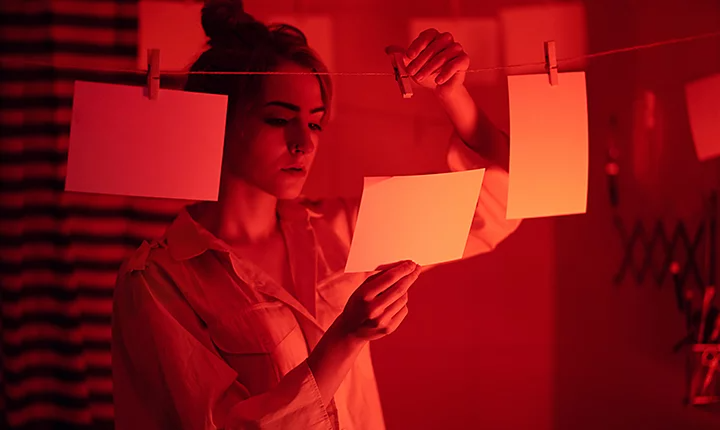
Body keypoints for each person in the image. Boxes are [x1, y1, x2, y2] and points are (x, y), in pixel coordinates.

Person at [111, 1, 521, 429]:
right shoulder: (158, 283)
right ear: (220, 121)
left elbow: (495, 211)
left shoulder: (339, 229)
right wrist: (345, 337)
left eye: (316, 124)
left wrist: (453, 94)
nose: (303, 144)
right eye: (278, 119)